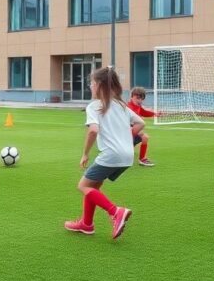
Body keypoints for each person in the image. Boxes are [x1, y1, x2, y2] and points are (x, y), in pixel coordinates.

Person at [64, 67, 142, 239]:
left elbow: (93, 131)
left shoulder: (95, 106)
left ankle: (116, 212)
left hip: (111, 155)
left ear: (99, 85)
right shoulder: (121, 105)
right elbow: (140, 123)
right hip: (127, 156)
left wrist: (85, 154)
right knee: (93, 187)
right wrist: (125, 141)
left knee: (83, 186)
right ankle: (86, 224)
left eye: (91, 83)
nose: (90, 87)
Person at [126, 86, 156, 166]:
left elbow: (143, 112)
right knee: (144, 136)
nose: (139, 100)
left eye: (141, 99)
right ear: (132, 96)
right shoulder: (128, 107)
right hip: (124, 133)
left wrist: (155, 114)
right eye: (137, 98)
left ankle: (142, 159)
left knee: (145, 137)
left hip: (132, 133)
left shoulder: (137, 106)